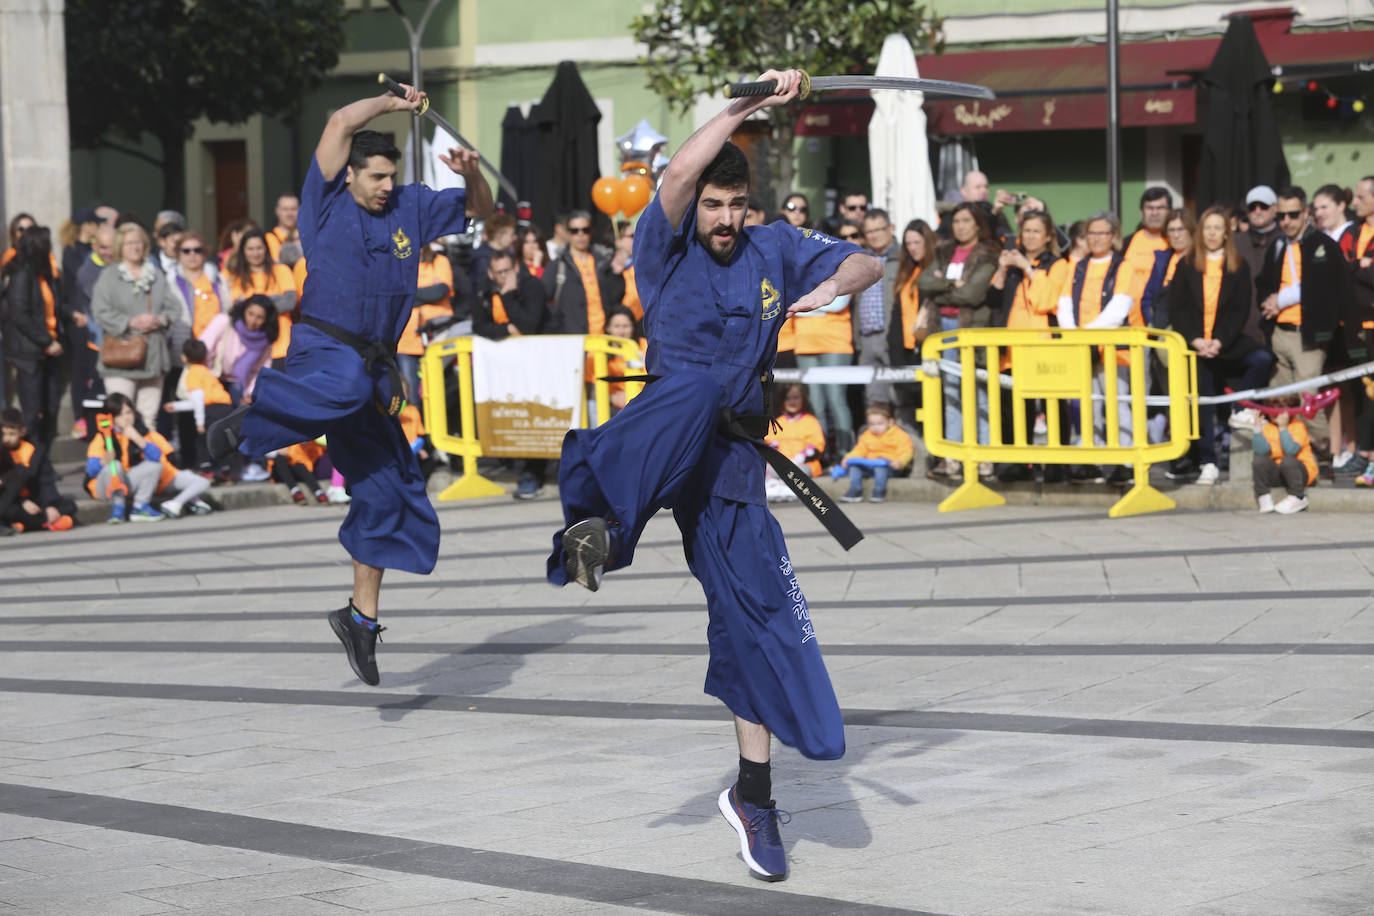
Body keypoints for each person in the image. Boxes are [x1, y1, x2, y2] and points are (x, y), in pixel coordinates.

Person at [545, 68, 880, 883]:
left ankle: (755, 793)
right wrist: (749, 104)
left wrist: (832, 291)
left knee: (754, 616)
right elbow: (676, 173)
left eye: (738, 206)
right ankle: (603, 532)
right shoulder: (663, 246)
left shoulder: (774, 247)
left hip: (732, 460)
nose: (725, 219)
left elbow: (872, 259)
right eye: (714, 204)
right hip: (666, 430)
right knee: (688, 390)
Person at [206, 81, 492, 687]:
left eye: (391, 175)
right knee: (340, 387)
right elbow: (338, 121)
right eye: (377, 177)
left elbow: (481, 210)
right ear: (352, 175)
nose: (387, 185)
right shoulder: (325, 200)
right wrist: (392, 103)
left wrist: (472, 174)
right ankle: (250, 423)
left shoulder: (412, 205)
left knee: (390, 492)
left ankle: (360, 619)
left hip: (375, 365)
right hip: (323, 349)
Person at [1169, 206, 1273, 485]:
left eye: (1218, 228)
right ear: (1200, 232)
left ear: (1226, 232)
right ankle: (1208, 461)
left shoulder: (1238, 264)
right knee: (1202, 402)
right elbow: (1177, 308)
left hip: (1226, 343)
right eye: (1208, 228)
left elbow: (1240, 310)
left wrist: (1220, 341)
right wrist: (1195, 339)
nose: (1212, 233)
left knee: (1262, 359)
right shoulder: (1187, 263)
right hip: (1196, 346)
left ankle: (1240, 408)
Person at [1057, 211, 1143, 484]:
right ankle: (1089, 459)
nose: (1095, 239)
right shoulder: (1077, 265)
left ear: (1114, 236)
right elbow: (1065, 303)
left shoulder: (1122, 266)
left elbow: (1119, 308)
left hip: (1114, 349)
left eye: (1101, 233)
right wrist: (1074, 336)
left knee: (1117, 403)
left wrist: (1085, 334)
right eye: (1090, 233)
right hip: (1082, 348)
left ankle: (1125, 460)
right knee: (1086, 405)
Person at [920, 202, 1000, 478]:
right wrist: (952, 286)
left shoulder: (989, 253)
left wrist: (942, 290)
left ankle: (984, 457)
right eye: (956, 221)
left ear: (978, 224)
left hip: (973, 330)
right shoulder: (942, 250)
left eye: (966, 221)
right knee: (951, 392)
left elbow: (973, 295)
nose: (961, 226)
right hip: (942, 329)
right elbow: (924, 282)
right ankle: (953, 458)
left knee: (979, 392)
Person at [990, 210, 1066, 481]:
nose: (1031, 236)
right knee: (1012, 409)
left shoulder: (1057, 264)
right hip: (1012, 349)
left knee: (1052, 409)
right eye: (1027, 231)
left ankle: (1057, 465)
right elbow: (992, 299)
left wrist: (1027, 267)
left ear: (1047, 237)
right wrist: (1002, 268)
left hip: (1044, 348)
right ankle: (1016, 463)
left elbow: (1047, 299)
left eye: (1036, 231)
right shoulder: (1011, 265)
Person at [474, 250, 556, 498]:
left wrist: (508, 295)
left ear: (516, 268)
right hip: (504, 366)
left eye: (508, 271)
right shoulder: (482, 290)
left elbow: (529, 323)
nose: (504, 276)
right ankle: (515, 465)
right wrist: (505, 328)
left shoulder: (532, 285)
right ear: (491, 273)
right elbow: (479, 325)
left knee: (537, 414)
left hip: (540, 361)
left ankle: (533, 473)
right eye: (499, 273)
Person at [91, 222, 186, 430]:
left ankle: (146, 461)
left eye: (139, 242)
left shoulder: (156, 275)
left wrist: (159, 320)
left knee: (148, 419)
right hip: (121, 357)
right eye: (129, 243)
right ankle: (124, 461)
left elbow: (174, 309)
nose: (135, 247)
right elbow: (99, 311)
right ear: (120, 247)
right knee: (122, 419)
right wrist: (130, 322)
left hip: (153, 358)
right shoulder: (110, 276)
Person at [86, 392, 212, 522]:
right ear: (111, 417)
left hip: (135, 482)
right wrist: (103, 461)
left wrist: (138, 439)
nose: (126, 418)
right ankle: (118, 508)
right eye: (120, 414)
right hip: (104, 487)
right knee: (115, 466)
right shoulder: (102, 437)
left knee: (157, 466)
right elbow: (91, 471)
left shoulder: (144, 433)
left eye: (129, 412)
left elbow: (158, 459)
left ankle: (142, 507)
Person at [2, 226, 69, 445]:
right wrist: (47, 341)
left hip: (47, 350)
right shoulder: (21, 272)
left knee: (50, 410)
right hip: (29, 353)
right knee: (33, 414)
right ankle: (30, 470)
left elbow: (52, 307)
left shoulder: (43, 273)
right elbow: (19, 314)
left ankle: (42, 471)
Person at [544, 209, 625, 335]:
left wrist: (617, 276)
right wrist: (559, 326)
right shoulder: (558, 265)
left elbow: (615, 299)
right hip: (573, 342)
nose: (580, 234)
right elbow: (543, 300)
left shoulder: (604, 261)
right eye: (574, 231)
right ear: (568, 233)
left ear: (591, 232)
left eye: (585, 230)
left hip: (604, 340)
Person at [395, 241, 455, 408]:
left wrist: (411, 296)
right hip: (406, 340)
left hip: (438, 335)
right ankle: (418, 431)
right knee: (411, 393)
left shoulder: (439, 260)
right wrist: (425, 294)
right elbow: (396, 296)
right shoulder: (397, 265)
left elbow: (441, 290)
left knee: (440, 390)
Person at [226, 228, 298, 367]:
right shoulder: (236, 277)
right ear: (243, 251)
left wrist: (253, 305)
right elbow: (238, 308)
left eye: (259, 248)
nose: (255, 253)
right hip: (248, 347)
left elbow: (290, 302)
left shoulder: (281, 270)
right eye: (250, 249)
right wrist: (275, 299)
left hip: (281, 347)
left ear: (266, 249)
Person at [164, 339, 235, 474]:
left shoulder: (192, 374)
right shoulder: (206, 371)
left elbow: (198, 400)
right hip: (226, 407)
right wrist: (176, 406)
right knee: (222, 439)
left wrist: (200, 423)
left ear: (184, 357)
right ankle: (226, 471)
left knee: (203, 441)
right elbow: (200, 399)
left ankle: (206, 470)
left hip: (212, 410)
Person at [0, 407, 75, 535]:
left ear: (22, 432)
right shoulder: (2, 451)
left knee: (68, 506)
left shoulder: (34, 450)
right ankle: (45, 524)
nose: (6, 439)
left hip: (33, 498)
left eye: (11, 434)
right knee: (10, 509)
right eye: (3, 434)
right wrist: (22, 501)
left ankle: (22, 524)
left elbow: (45, 480)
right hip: (9, 500)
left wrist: (49, 505)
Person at [199, 295, 278, 405]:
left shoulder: (265, 341)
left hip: (239, 387)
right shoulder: (224, 322)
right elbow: (202, 349)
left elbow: (259, 372)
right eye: (251, 314)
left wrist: (251, 393)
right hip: (211, 379)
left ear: (267, 320)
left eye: (260, 317)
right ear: (244, 310)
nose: (253, 320)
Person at [838, 401, 912, 503]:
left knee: (880, 468)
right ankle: (855, 491)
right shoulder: (867, 435)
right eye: (871, 424)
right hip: (870, 465)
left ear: (890, 422)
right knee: (854, 466)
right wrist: (848, 458)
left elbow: (906, 452)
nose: (875, 427)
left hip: (890, 466)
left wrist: (900, 462)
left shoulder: (900, 435)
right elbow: (859, 450)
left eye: (880, 423)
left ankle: (878, 492)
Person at [1252, 395, 1315, 514]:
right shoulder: (1268, 427)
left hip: (1300, 473)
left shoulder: (1298, 426)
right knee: (1259, 460)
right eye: (1271, 409)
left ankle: (1298, 496)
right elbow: (1261, 450)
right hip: (1279, 472)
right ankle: (1263, 496)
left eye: (1279, 409)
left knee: (1288, 461)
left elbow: (1290, 450)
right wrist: (1257, 429)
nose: (1275, 414)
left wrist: (1283, 428)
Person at [762, 383, 825, 501]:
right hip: (780, 464)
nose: (792, 401)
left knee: (800, 472)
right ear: (782, 401)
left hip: (803, 464)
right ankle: (773, 486)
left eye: (796, 398)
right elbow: (770, 444)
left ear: (803, 399)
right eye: (788, 398)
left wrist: (800, 458)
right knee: (763, 468)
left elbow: (816, 446)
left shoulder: (810, 421)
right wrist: (779, 460)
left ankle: (789, 487)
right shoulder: (778, 422)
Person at [169, 230, 231, 338]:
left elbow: (227, 309)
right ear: (178, 253)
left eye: (197, 250)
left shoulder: (218, 280)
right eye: (186, 251)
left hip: (218, 342)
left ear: (205, 252)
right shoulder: (171, 282)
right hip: (184, 343)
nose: (192, 254)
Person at [1122, 187, 1173, 297]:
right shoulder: (1126, 243)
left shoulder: (1175, 245)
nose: (1155, 213)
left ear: (1169, 211)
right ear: (1142, 211)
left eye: (1160, 208)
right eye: (1150, 208)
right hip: (1128, 312)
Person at [272, 438, 329, 504]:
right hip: (278, 471)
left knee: (298, 464)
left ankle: (318, 492)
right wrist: (276, 451)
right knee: (280, 459)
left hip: (296, 468)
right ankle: (295, 491)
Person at [471, 212, 516, 283]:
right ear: (499, 236)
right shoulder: (482, 259)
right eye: (512, 235)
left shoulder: (506, 254)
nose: (515, 238)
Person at [266, 193, 304, 266]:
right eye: (285, 209)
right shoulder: (270, 238)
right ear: (277, 211)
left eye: (293, 209)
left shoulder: (305, 235)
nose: (289, 213)